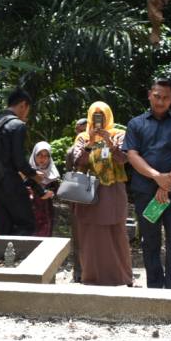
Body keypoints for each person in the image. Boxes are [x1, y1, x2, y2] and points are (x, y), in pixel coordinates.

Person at [123, 78, 171, 289]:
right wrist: (157, 177)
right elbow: (133, 155)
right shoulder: (136, 124)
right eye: (157, 96)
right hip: (145, 192)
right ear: (149, 95)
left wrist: (168, 182)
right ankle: (154, 286)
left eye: (165, 98)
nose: (160, 101)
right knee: (150, 240)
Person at [70, 102, 132, 286]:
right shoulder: (82, 137)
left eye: (102, 115)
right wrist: (89, 142)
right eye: (96, 116)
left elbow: (123, 160)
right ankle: (91, 277)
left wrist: (110, 144)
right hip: (89, 190)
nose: (99, 120)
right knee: (89, 234)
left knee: (116, 232)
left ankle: (121, 277)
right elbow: (78, 162)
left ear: (108, 116)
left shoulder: (119, 134)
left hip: (113, 190)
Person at [0, 89, 42, 235]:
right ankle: (23, 258)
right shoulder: (17, 125)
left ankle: (5, 258)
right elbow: (19, 161)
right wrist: (33, 174)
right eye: (28, 109)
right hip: (10, 183)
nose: (26, 114)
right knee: (26, 225)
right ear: (23, 105)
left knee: (4, 229)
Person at [65, 117, 88, 283]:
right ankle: (78, 271)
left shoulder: (100, 145)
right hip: (77, 198)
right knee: (78, 235)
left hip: (96, 196)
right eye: (79, 130)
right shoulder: (71, 151)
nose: (81, 133)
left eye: (84, 129)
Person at [29, 141, 59, 237]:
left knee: (45, 238)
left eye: (46, 155)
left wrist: (51, 193)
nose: (43, 158)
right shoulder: (26, 172)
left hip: (46, 211)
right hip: (29, 211)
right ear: (34, 155)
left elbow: (56, 190)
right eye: (39, 155)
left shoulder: (52, 173)